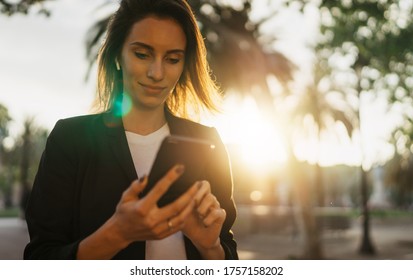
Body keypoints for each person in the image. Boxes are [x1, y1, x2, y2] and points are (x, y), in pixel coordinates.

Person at [24, 0, 238, 260]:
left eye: (172, 59)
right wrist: (118, 234)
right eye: (142, 54)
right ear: (117, 56)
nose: (157, 73)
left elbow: (228, 259)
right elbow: (40, 258)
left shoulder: (207, 143)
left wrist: (209, 247)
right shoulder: (70, 139)